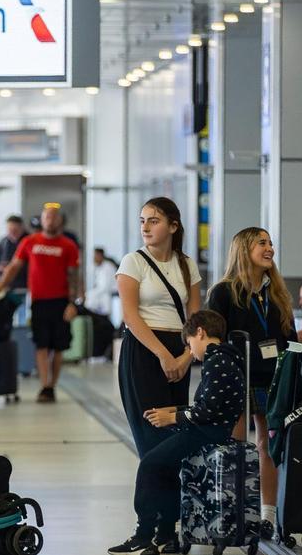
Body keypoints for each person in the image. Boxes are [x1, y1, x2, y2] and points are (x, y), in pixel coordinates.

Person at [109, 197, 200, 554]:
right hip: (143, 356)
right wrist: (165, 355)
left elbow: (196, 320)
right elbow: (131, 316)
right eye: (143, 220)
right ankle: (146, 527)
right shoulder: (132, 262)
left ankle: (168, 528)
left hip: (179, 354)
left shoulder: (186, 265)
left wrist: (186, 356)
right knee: (152, 444)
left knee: (174, 441)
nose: (146, 227)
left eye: (155, 220)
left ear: (173, 226)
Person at [109, 310, 242, 555]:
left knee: (150, 463)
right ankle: (165, 530)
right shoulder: (225, 358)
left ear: (200, 332)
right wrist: (175, 409)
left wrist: (172, 417)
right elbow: (209, 406)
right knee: (160, 462)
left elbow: (208, 412)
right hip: (212, 428)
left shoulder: (217, 361)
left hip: (207, 432)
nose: (191, 351)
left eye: (190, 343)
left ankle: (144, 532)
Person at [206, 227, 296, 529]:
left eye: (271, 243)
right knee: (236, 445)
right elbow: (212, 339)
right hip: (236, 377)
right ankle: (234, 510)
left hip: (272, 378)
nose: (270, 248)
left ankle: (268, 513)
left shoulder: (277, 294)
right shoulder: (224, 292)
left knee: (267, 446)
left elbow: (289, 338)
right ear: (244, 249)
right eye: (262, 243)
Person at [0, 203, 82, 403]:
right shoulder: (30, 242)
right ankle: (45, 385)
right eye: (47, 217)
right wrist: (0, 287)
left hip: (61, 302)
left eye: (53, 217)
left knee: (58, 347)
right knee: (41, 345)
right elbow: (14, 266)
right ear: (41, 221)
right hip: (39, 301)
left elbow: (74, 276)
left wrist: (74, 303)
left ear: (60, 220)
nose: (50, 220)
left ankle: (53, 384)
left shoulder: (68, 245)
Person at [0, 215, 27, 303]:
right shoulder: (4, 242)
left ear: (22, 228)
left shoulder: (28, 241)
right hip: (6, 288)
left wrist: (12, 268)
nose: (12, 233)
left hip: (23, 288)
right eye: (10, 230)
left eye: (15, 230)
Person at [86, 247, 120, 316]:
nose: (94, 258)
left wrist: (90, 293)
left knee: (90, 296)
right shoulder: (98, 267)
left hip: (111, 293)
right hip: (104, 292)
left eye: (95, 256)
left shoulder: (108, 267)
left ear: (100, 256)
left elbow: (105, 287)